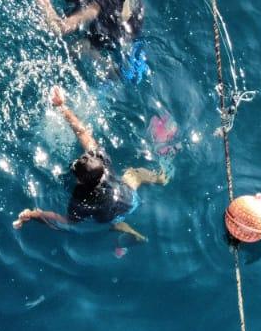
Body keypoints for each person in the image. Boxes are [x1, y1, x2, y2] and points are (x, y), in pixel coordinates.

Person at [12, 87, 167, 241]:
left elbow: (67, 220)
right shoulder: (102, 161)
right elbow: (83, 132)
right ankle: (160, 179)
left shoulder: (80, 198)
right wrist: (62, 107)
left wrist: (35, 215)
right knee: (133, 174)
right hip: (129, 198)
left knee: (113, 221)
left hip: (110, 215)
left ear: (80, 180)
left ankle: (126, 229)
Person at [36, 0, 147, 81]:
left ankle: (112, 71)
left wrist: (44, 1)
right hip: (129, 13)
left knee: (77, 47)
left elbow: (59, 29)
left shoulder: (93, 7)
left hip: (116, 26)